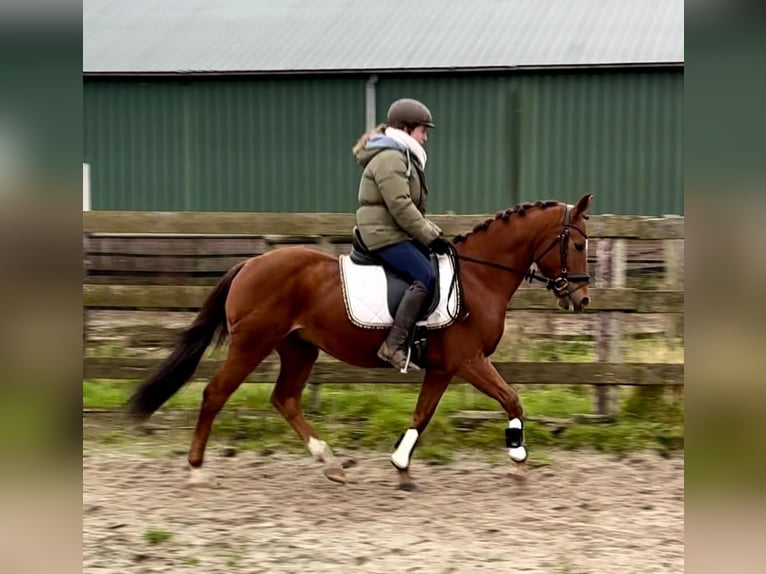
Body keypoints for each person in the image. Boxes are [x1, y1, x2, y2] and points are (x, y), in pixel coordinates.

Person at [352, 98, 452, 372]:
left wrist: (432, 236)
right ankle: (393, 345)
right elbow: (401, 205)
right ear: (406, 130)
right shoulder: (390, 158)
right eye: (423, 130)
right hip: (384, 234)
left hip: (394, 231)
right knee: (426, 276)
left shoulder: (401, 157)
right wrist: (430, 235)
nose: (426, 137)